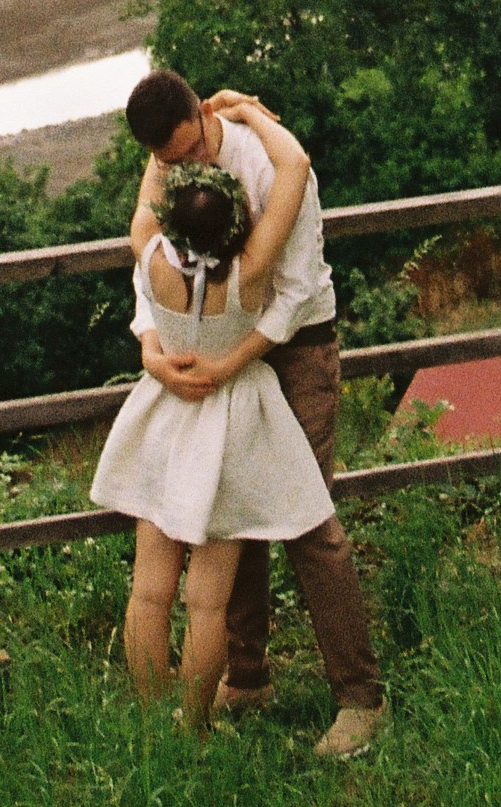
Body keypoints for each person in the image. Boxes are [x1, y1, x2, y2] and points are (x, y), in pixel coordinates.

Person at [122, 68, 388, 759]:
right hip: (210, 348)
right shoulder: (164, 166)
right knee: (225, 510)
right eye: (166, 162)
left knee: (305, 520)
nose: (183, 170)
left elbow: (295, 291)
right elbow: (150, 268)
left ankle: (359, 698)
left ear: (202, 114)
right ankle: (246, 678)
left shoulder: (267, 163)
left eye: (188, 152)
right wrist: (154, 349)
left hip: (291, 346)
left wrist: (226, 361)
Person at [90, 159, 334, 733]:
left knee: (149, 592)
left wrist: (158, 155)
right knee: (207, 602)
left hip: (167, 423)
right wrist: (245, 111)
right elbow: (292, 181)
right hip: (229, 433)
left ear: (172, 223)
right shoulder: (250, 275)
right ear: (240, 224)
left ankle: (154, 722)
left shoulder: (153, 261)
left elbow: (143, 214)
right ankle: (194, 724)